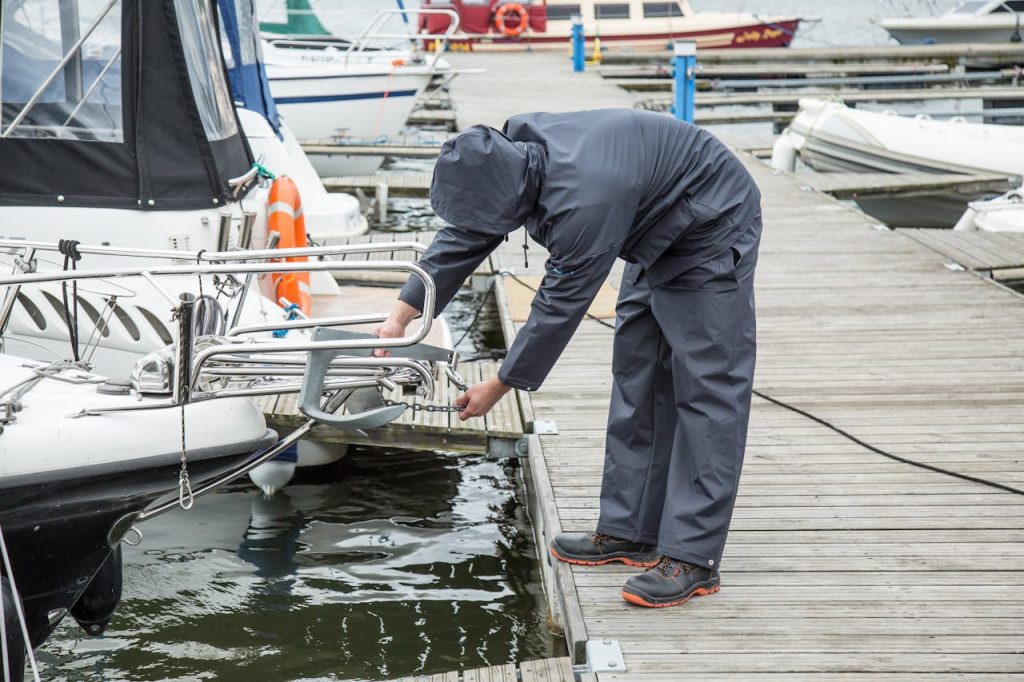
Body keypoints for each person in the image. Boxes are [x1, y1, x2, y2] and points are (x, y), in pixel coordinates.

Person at [376, 109, 762, 609]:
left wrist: (499, 384)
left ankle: (692, 555)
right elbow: (465, 234)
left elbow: (560, 304)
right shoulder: (506, 153)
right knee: (637, 377)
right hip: (648, 225)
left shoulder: (585, 201)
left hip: (711, 222)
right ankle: (630, 531)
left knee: (707, 391)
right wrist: (399, 318)